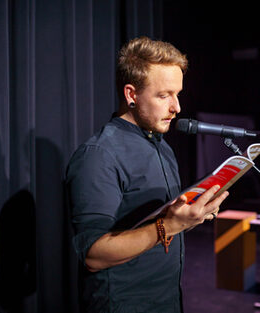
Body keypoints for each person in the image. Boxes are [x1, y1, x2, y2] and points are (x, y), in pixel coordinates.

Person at [65, 36, 229, 313]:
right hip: (122, 304)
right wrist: (170, 227)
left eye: (177, 94)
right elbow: (93, 254)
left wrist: (192, 217)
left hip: (166, 299)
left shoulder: (160, 145)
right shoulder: (98, 155)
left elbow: (158, 221)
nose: (176, 107)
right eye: (164, 95)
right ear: (131, 94)